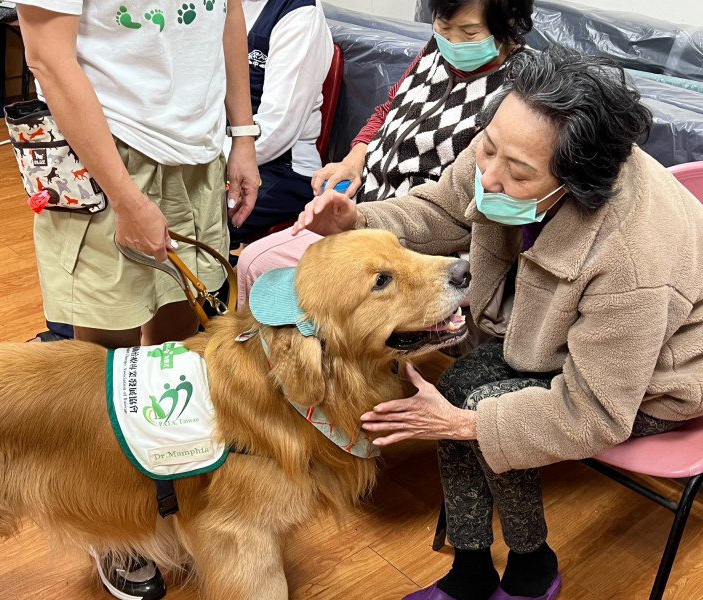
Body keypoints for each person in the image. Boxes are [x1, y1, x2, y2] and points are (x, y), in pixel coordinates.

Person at [291, 46, 703, 600]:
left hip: (652, 379)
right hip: (549, 338)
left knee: (471, 410)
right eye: (486, 148)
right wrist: (359, 219)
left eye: (517, 174)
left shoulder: (632, 264)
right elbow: (442, 209)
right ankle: (474, 569)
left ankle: (531, 573)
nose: (486, 176)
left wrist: (462, 425)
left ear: (575, 185)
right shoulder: (515, 140)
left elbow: (596, 413)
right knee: (457, 394)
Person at [11, 0, 259, 598]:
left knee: (180, 349)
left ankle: (168, 500)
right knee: (105, 364)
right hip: (107, 148)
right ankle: (112, 526)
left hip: (201, 151)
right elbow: (47, 55)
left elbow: (226, 16)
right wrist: (123, 197)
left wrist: (242, 136)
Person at [235, 0, 534, 306]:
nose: (454, 43)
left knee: (279, 276)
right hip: (366, 209)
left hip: (420, 238)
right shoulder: (437, 51)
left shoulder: (521, 90)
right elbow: (388, 110)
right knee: (255, 264)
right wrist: (354, 160)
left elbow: (469, 209)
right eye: (444, 28)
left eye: (470, 33)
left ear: (509, 21)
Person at [226, 0, 333, 260]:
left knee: (197, 219)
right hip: (216, 149)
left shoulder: (299, 14)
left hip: (281, 166)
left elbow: (278, 128)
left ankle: (213, 295)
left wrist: (209, 160)